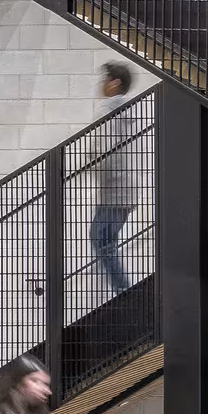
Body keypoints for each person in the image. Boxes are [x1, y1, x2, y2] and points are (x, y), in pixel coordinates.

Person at [89, 62, 137, 301]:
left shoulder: (108, 109)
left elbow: (105, 149)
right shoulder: (128, 110)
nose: (101, 84)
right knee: (104, 241)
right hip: (126, 188)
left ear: (115, 83)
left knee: (101, 240)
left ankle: (125, 294)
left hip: (113, 188)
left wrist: (92, 164)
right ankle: (124, 293)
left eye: (104, 79)